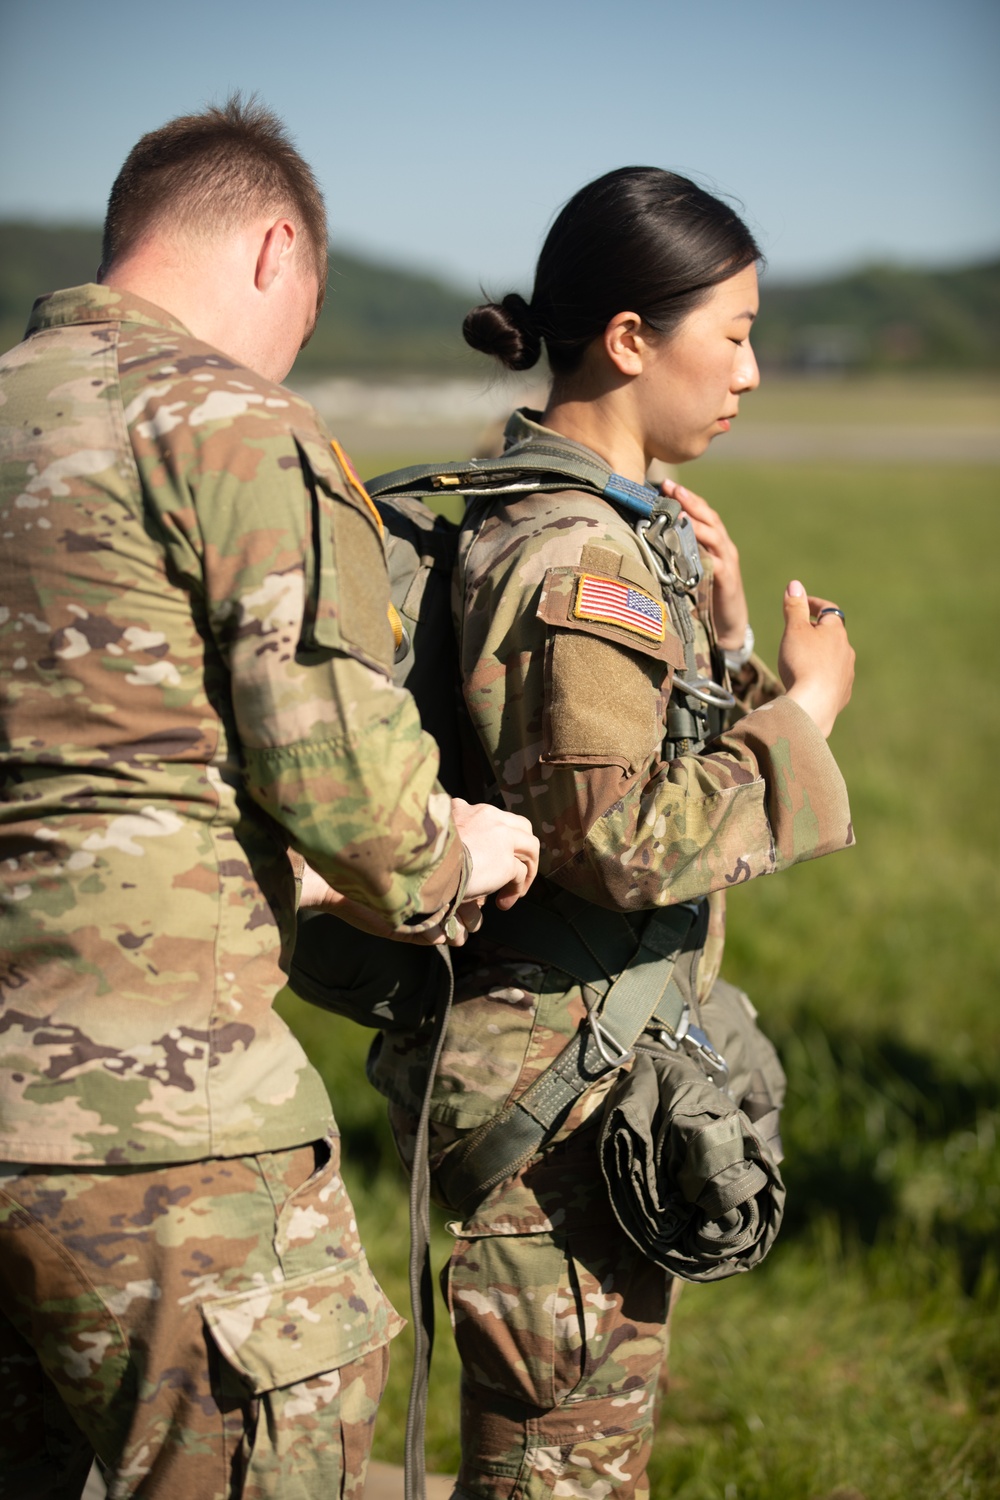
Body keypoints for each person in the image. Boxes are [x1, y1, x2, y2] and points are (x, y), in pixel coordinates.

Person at [0, 98, 538, 1500]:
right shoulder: (226, 421)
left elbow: (91, 770)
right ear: (273, 247)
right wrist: (452, 854)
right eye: (303, 313)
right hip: (158, 1134)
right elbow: (342, 783)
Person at [370, 166, 856, 1499]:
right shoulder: (577, 552)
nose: (750, 370)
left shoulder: (613, 536)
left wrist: (735, 642)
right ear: (633, 338)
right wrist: (804, 713)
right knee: (557, 1476)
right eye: (737, 331)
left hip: (582, 1066)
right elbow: (621, 836)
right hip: (558, 1098)